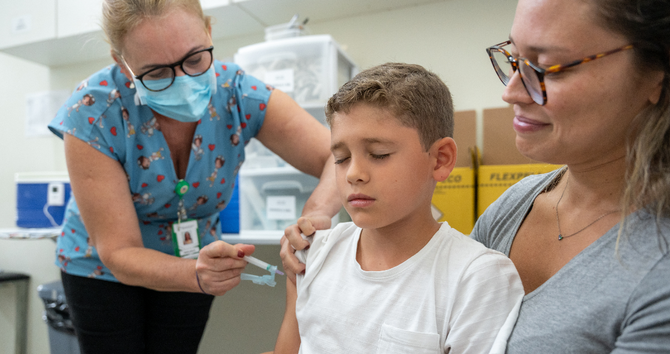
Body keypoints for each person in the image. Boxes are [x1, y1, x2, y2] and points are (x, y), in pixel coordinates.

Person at [282, 0, 670, 352]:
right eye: (514, 60)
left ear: (656, 74)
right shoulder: (517, 204)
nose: (512, 91)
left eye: (547, 67)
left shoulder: (658, 275)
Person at [47, 0, 340, 352]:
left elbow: (338, 156)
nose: (183, 81)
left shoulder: (238, 93)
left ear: (209, 32)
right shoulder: (93, 112)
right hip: (101, 270)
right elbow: (120, 251)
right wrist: (195, 274)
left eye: (195, 59)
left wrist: (318, 212)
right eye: (155, 73)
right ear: (123, 65)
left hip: (195, 256)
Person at [273, 63, 524, 354]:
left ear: (440, 159)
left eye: (379, 154)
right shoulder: (314, 253)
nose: (354, 173)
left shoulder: (477, 279)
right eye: (341, 158)